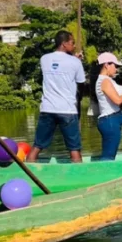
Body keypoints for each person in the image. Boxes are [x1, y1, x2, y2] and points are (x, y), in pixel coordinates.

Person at [27, 31, 86, 163]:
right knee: (74, 149)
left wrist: (74, 60)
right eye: (72, 42)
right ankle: (80, 177)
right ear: (64, 44)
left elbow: (59, 67)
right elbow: (81, 84)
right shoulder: (75, 62)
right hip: (67, 110)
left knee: (36, 146)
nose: (74, 45)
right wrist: (79, 99)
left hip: (47, 109)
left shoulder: (44, 59)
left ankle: (29, 172)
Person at [94, 52, 122, 161]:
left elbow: (121, 99)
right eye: (115, 66)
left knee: (110, 154)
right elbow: (117, 100)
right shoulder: (104, 81)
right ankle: (103, 175)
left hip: (112, 121)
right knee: (108, 156)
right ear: (106, 65)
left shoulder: (108, 80)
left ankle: (105, 174)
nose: (117, 69)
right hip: (110, 121)